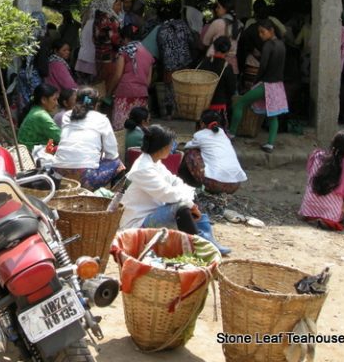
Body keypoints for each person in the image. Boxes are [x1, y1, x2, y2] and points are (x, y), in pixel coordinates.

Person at [120, 125, 231, 254]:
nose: (172, 147)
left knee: (185, 202)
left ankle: (203, 239)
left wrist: (188, 198)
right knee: (182, 206)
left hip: (152, 214)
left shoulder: (154, 162)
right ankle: (199, 246)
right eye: (170, 144)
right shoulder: (143, 169)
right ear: (162, 147)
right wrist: (188, 201)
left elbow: (175, 181)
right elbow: (168, 194)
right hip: (137, 224)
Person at [229, 19, 288, 153]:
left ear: (271, 30)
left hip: (266, 84)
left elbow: (262, 67)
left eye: (263, 32)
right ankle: (270, 144)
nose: (261, 35)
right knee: (273, 115)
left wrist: (255, 82)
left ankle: (231, 133)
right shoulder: (281, 45)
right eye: (259, 33)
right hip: (278, 85)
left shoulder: (268, 46)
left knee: (239, 104)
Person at [52, 87, 124, 190]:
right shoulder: (101, 119)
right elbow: (112, 154)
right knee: (118, 164)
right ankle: (110, 197)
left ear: (76, 101)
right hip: (86, 177)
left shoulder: (66, 116)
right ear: (96, 104)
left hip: (58, 174)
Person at [299, 130, 344, 230]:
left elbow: (310, 174)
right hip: (331, 215)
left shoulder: (317, 155)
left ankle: (317, 213)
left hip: (308, 211)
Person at [180, 110, 247, 194]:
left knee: (191, 153)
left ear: (202, 123)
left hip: (216, 184)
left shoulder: (200, 135)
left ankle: (189, 182)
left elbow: (187, 146)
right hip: (235, 184)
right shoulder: (222, 133)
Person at [107, 24, 155, 130]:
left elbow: (118, 75)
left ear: (125, 38)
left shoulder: (124, 51)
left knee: (121, 128)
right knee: (139, 128)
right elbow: (148, 82)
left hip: (125, 93)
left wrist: (109, 92)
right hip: (142, 94)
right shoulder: (148, 54)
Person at [157, 8, 198, 119]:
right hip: (184, 61)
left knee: (169, 88)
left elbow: (160, 48)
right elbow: (191, 41)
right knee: (184, 87)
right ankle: (184, 112)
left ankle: (170, 114)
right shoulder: (183, 25)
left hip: (169, 63)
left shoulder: (161, 29)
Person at [197, 35, 237, 127]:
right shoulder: (227, 67)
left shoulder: (204, 62)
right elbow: (231, 89)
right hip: (218, 105)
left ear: (214, 47)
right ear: (228, 50)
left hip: (202, 104)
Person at [201, 0, 242, 74]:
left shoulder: (218, 23)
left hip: (216, 62)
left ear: (225, 9)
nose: (216, 9)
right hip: (232, 63)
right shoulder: (239, 24)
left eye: (218, 7)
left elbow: (205, 42)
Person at [17, 83, 61, 152]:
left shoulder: (36, 109)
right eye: (54, 99)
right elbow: (59, 137)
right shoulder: (41, 115)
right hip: (32, 153)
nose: (56, 103)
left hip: (30, 149)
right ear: (43, 100)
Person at [93, 0, 124, 85]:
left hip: (99, 54)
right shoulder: (110, 19)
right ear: (110, 4)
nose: (120, 7)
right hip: (109, 56)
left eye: (120, 5)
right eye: (118, 4)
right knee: (109, 81)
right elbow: (116, 40)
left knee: (101, 81)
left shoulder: (99, 16)